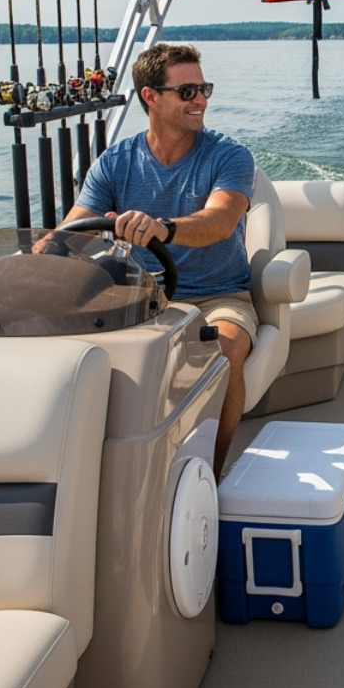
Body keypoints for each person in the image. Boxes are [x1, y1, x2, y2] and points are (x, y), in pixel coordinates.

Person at [61, 43, 255, 471]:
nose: (200, 99)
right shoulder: (115, 162)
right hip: (136, 295)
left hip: (217, 295)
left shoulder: (230, 156)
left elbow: (221, 221)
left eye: (204, 88)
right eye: (187, 91)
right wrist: (28, 259)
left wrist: (162, 228)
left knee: (224, 347)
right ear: (150, 97)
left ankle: (209, 475)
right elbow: (69, 232)